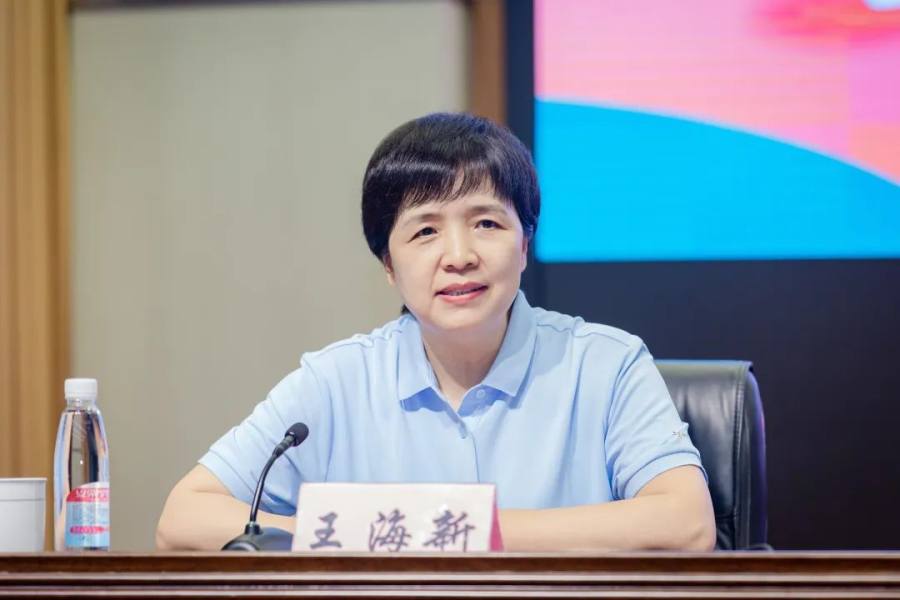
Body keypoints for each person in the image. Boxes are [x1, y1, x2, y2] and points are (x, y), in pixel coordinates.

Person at [156, 113, 715, 552]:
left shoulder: (607, 365)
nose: (459, 256)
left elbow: (687, 524)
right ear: (389, 265)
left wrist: (458, 531)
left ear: (525, 245)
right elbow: (184, 518)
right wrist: (355, 532)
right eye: (425, 232)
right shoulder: (334, 381)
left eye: (487, 223)